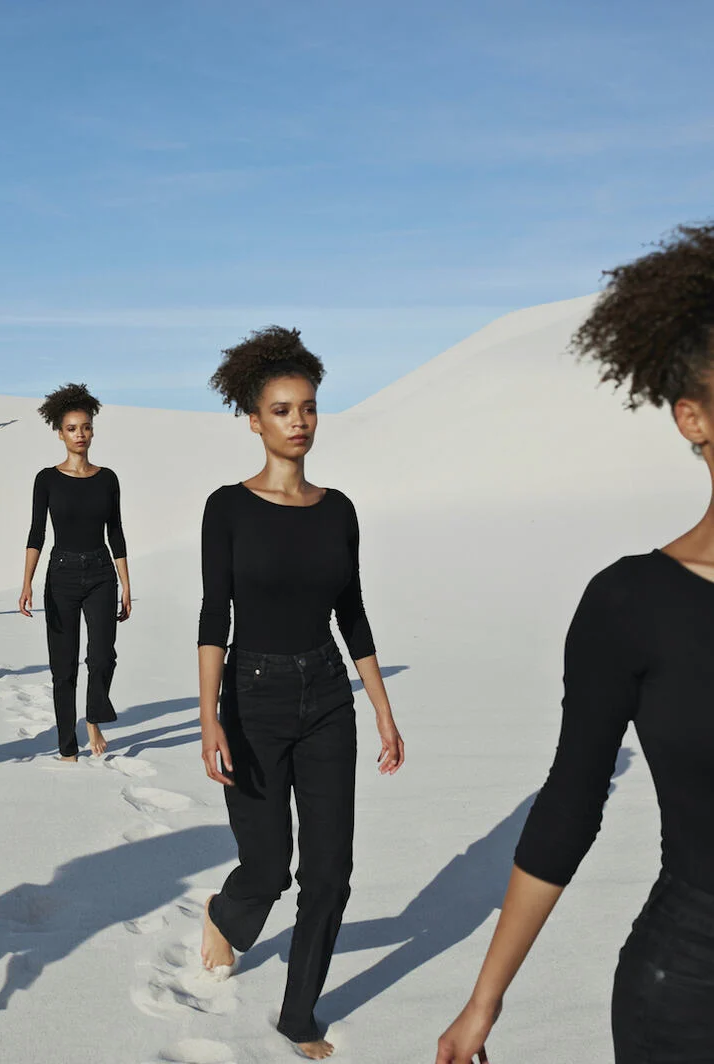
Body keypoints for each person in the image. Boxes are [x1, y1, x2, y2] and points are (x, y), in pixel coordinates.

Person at [437, 224, 714, 1064]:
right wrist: (483, 1003)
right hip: (689, 999)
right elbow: (569, 806)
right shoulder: (631, 602)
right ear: (692, 418)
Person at [195, 327, 405, 1059]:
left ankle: (299, 1015)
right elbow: (213, 616)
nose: (299, 422)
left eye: (308, 408)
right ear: (253, 420)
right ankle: (227, 911)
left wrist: (379, 705)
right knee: (268, 866)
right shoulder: (227, 508)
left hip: (326, 697)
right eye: (282, 410)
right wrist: (207, 717)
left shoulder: (338, 509)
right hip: (250, 700)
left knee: (331, 869)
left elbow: (352, 613)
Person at [19, 383, 131, 761]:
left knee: (103, 656)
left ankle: (94, 715)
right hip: (61, 575)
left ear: (92, 430)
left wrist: (126, 584)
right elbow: (37, 532)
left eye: (85, 427)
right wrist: (27, 582)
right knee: (63, 667)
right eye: (72, 428)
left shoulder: (108, 478)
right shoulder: (46, 479)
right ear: (60, 433)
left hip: (101, 572)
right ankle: (68, 746)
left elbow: (115, 532)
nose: (80, 434)